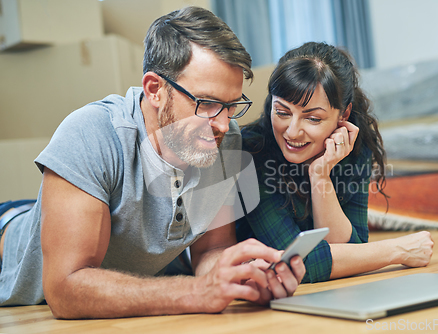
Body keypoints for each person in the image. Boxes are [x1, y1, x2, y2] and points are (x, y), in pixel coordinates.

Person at [0, 7, 305, 318]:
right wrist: (197, 291)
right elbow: (65, 288)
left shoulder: (222, 138)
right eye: (207, 103)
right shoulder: (90, 134)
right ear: (155, 90)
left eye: (230, 106)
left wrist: (243, 277)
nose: (224, 124)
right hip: (11, 258)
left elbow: (210, 251)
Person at [236, 42, 434, 283]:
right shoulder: (250, 154)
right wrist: (397, 250)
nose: (292, 131)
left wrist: (320, 175)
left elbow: (354, 250)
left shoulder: (354, 148)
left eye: (313, 118)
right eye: (282, 112)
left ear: (344, 115)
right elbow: (293, 265)